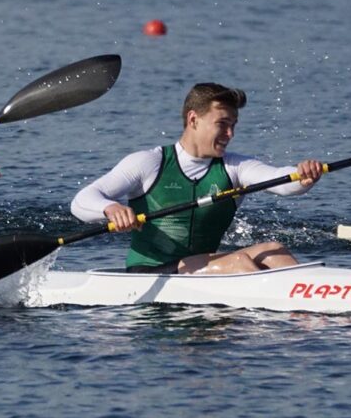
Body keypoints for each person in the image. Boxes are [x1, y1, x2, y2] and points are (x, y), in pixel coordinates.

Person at [71, 82, 325, 274]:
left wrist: (303, 176)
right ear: (193, 119)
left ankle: (313, 304)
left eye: (234, 125)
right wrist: (111, 209)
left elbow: (281, 182)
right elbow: (81, 201)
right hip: (151, 274)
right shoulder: (149, 162)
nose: (230, 133)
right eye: (222, 124)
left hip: (203, 267)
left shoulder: (234, 167)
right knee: (238, 262)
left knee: (274, 250)